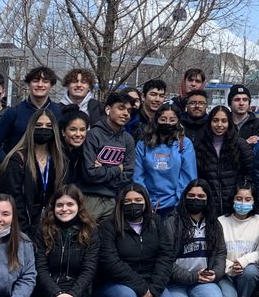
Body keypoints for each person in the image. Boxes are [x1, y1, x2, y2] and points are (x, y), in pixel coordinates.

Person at [93, 183, 176, 297]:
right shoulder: (108, 227)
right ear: (121, 203)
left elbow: (166, 256)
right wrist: (141, 288)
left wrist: (154, 289)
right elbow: (110, 262)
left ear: (146, 202)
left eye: (138, 200)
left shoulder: (156, 222)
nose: (133, 204)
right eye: (128, 201)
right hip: (115, 283)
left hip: (149, 281)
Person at [29, 185, 100, 297]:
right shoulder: (42, 230)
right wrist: (56, 294)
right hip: (47, 293)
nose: (65, 209)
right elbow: (40, 268)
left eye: (70, 204)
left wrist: (70, 296)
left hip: (77, 296)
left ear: (79, 206)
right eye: (60, 205)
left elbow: (89, 269)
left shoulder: (90, 230)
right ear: (53, 207)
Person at [164, 179, 225, 297]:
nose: (196, 199)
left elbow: (220, 253)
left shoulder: (214, 224)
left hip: (201, 281)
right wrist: (191, 276)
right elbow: (165, 260)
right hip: (175, 283)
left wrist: (216, 273)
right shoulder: (171, 222)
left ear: (207, 199)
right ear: (184, 197)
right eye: (191, 195)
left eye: (200, 196)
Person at [0, 106, 65, 234]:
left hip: (50, 228)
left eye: (48, 126)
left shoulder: (59, 161)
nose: (43, 129)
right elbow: (13, 200)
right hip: (21, 229)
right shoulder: (16, 160)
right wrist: (24, 233)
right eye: (39, 125)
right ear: (31, 128)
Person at [133, 102, 198, 218]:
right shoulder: (143, 144)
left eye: (172, 120)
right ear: (156, 120)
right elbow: (138, 176)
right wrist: (145, 201)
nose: (167, 123)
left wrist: (179, 202)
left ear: (178, 121)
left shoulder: (184, 144)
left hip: (175, 205)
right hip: (147, 204)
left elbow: (188, 176)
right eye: (163, 119)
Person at [80, 91, 137, 220]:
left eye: (129, 110)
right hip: (90, 197)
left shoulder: (128, 139)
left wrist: (103, 171)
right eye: (121, 108)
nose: (126, 114)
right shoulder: (92, 135)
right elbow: (90, 174)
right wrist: (117, 169)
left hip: (114, 198)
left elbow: (128, 173)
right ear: (108, 109)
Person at [217, 183, 259, 297]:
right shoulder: (220, 222)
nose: (242, 203)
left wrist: (244, 261)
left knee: (251, 271)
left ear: (254, 201)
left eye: (247, 199)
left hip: (248, 273)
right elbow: (214, 252)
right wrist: (230, 266)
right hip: (225, 274)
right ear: (232, 199)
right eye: (239, 198)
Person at [0, 66, 59, 164]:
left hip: (50, 172)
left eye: (45, 81)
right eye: (35, 81)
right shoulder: (14, 112)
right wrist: (8, 163)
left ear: (51, 85)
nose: (40, 85)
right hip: (19, 173)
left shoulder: (59, 112)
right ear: (28, 84)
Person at [194, 105, 254, 220]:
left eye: (224, 121)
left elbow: (251, 172)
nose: (219, 125)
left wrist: (242, 191)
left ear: (229, 123)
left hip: (234, 205)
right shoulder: (200, 146)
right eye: (215, 120)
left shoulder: (240, 144)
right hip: (209, 207)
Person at [60, 110, 91, 192]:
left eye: (82, 130)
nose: (78, 134)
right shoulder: (55, 153)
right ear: (63, 132)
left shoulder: (83, 153)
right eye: (73, 129)